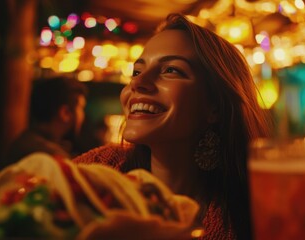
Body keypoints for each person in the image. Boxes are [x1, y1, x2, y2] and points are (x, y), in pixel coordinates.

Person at [73, 13, 271, 240]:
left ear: (214, 107)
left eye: (171, 70)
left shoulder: (249, 216)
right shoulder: (91, 174)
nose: (137, 83)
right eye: (136, 71)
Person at [6, 76, 88, 166]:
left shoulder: (26, 140)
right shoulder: (51, 156)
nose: (83, 115)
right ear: (65, 113)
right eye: (81, 108)